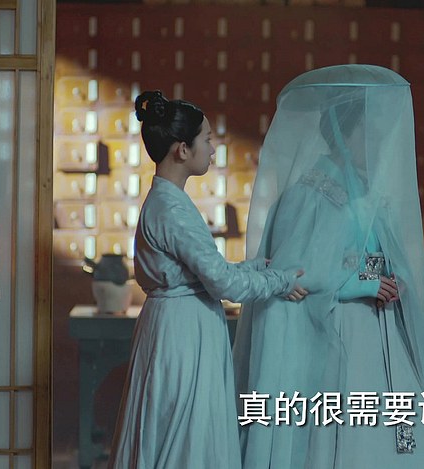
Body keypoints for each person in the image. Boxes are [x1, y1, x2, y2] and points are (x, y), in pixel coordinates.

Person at [232, 64, 424, 469]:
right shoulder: (310, 192)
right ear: (343, 132)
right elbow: (293, 274)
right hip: (340, 331)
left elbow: (380, 254)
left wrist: (395, 280)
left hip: (381, 329)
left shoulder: (367, 192)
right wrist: (362, 283)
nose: (376, 142)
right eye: (367, 131)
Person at [108, 90, 308, 469]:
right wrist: (279, 281)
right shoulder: (172, 209)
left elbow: (204, 272)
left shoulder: (169, 202)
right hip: (183, 333)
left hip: (179, 325)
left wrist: (254, 268)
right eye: (207, 140)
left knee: (178, 429)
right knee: (186, 431)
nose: (213, 150)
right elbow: (223, 284)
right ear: (182, 150)